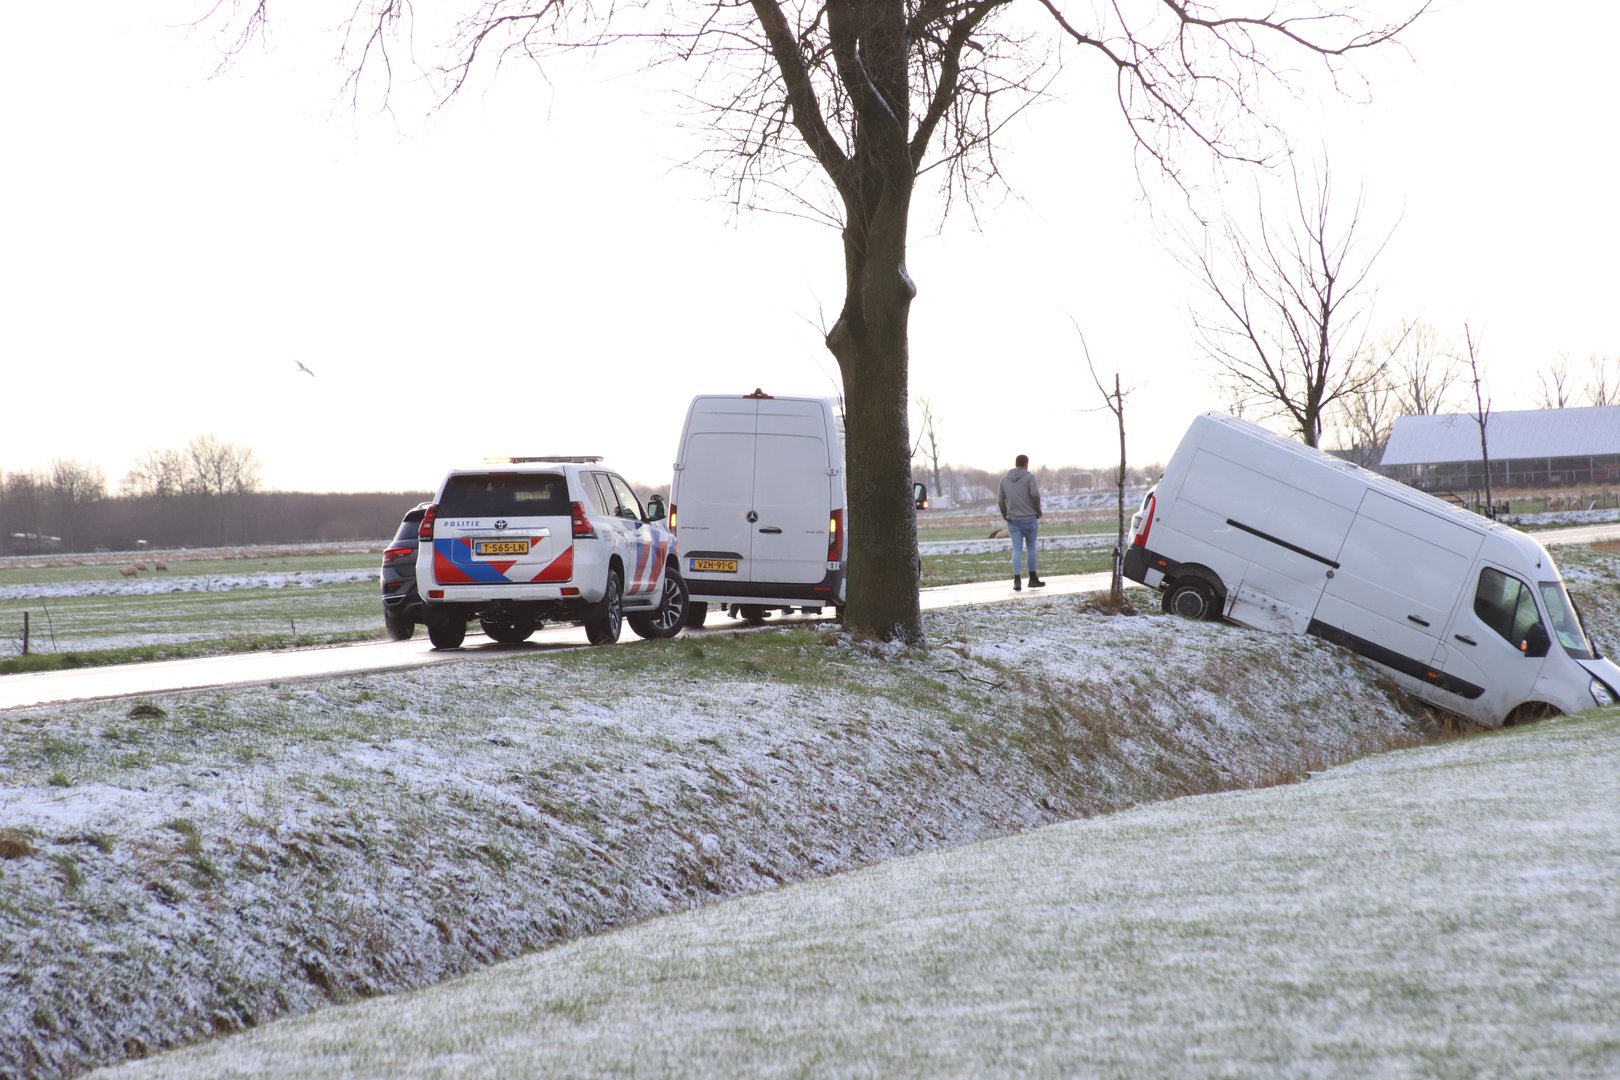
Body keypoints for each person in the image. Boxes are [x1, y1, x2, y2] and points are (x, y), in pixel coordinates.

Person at [998, 453, 1044, 591]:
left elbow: (1001, 501)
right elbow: (1035, 495)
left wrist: (1005, 514)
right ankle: (1032, 578)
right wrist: (1038, 510)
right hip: (1029, 518)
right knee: (1031, 548)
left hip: (1013, 520)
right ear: (1026, 464)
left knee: (1016, 550)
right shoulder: (1030, 478)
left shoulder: (1004, 480)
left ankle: (1017, 581)